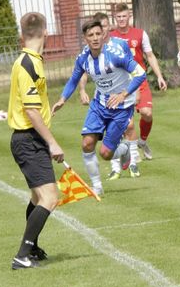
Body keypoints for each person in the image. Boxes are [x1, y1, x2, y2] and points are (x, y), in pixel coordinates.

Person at [52, 19, 146, 195]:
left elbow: (140, 74)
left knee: (105, 154)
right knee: (87, 143)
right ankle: (97, 187)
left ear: (103, 35)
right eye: (90, 35)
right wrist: (62, 99)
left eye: (98, 34)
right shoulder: (83, 58)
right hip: (99, 104)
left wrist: (124, 94)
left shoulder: (115, 54)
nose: (95, 38)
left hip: (122, 107)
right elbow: (74, 79)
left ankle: (124, 149)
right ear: (85, 38)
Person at [7, 12, 65, 269]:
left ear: (22, 36)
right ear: (47, 34)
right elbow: (31, 111)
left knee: (37, 198)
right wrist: (52, 142)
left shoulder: (31, 61)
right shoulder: (28, 64)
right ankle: (22, 255)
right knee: (50, 197)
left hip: (29, 139)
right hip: (28, 139)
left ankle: (32, 249)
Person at [78, 12, 141, 178]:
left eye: (104, 28)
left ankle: (131, 159)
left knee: (129, 126)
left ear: (107, 29)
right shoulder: (88, 53)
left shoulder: (120, 46)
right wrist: (82, 90)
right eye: (94, 32)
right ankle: (116, 165)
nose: (100, 33)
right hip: (102, 101)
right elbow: (83, 72)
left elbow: (133, 72)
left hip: (124, 99)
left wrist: (131, 93)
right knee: (100, 147)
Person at [110, 3, 167, 161]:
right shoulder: (111, 38)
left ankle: (142, 141)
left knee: (147, 113)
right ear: (115, 17)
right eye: (119, 16)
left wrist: (159, 77)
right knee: (126, 122)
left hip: (139, 80)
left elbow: (150, 56)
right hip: (121, 84)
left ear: (129, 16)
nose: (121, 19)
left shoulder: (140, 34)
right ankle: (130, 150)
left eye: (124, 16)